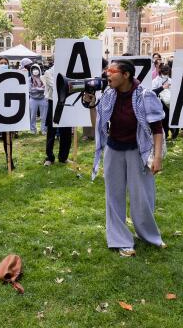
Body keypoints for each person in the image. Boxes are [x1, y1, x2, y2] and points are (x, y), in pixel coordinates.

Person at [85, 59, 165, 257]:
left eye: (112, 71)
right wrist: (91, 106)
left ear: (126, 75)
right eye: (106, 71)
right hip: (114, 150)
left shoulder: (145, 96)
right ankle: (121, 240)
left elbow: (157, 130)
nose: (107, 75)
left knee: (142, 197)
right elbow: (99, 125)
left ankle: (148, 235)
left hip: (138, 151)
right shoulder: (108, 95)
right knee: (113, 197)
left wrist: (157, 157)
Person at [42, 58, 73, 166]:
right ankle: (49, 157)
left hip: (66, 102)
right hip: (53, 103)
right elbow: (55, 86)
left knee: (67, 131)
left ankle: (63, 157)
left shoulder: (69, 71)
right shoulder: (48, 72)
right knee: (52, 131)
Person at [27, 63, 47, 135]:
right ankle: (33, 129)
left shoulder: (43, 78)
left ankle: (44, 129)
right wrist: (40, 89)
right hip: (33, 99)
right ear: (31, 70)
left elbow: (46, 88)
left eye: (36, 69)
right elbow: (30, 89)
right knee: (32, 115)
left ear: (39, 70)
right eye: (33, 69)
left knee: (44, 116)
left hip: (43, 98)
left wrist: (36, 88)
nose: (35, 70)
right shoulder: (29, 79)